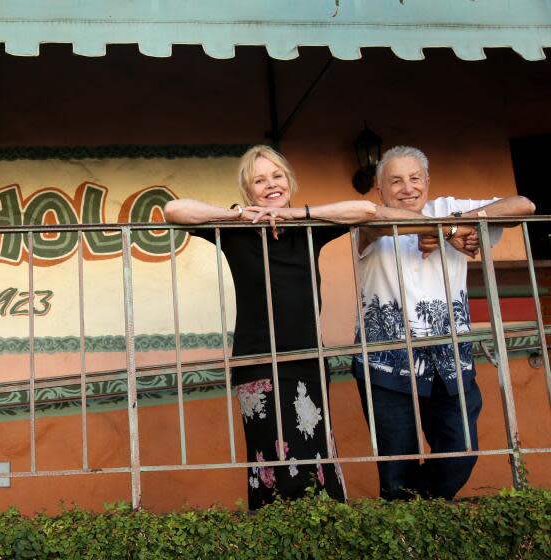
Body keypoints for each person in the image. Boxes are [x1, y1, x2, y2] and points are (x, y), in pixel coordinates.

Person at [164, 145, 378, 509]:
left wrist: (298, 215)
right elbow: (174, 211)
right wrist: (238, 216)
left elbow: (366, 210)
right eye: (259, 181)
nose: (271, 185)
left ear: (289, 182)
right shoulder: (234, 231)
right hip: (257, 364)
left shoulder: (309, 228)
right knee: (272, 464)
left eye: (277, 176)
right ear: (248, 191)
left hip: (309, 360)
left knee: (315, 458)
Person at [353, 145, 535, 500]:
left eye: (414, 178)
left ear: (428, 181)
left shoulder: (449, 208)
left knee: (461, 450)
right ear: (380, 190)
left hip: (450, 358)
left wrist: (452, 224)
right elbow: (371, 227)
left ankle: (411, 507)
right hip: (385, 362)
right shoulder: (366, 216)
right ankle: (404, 526)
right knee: (396, 464)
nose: (407, 188)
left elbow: (524, 205)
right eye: (396, 181)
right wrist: (444, 231)